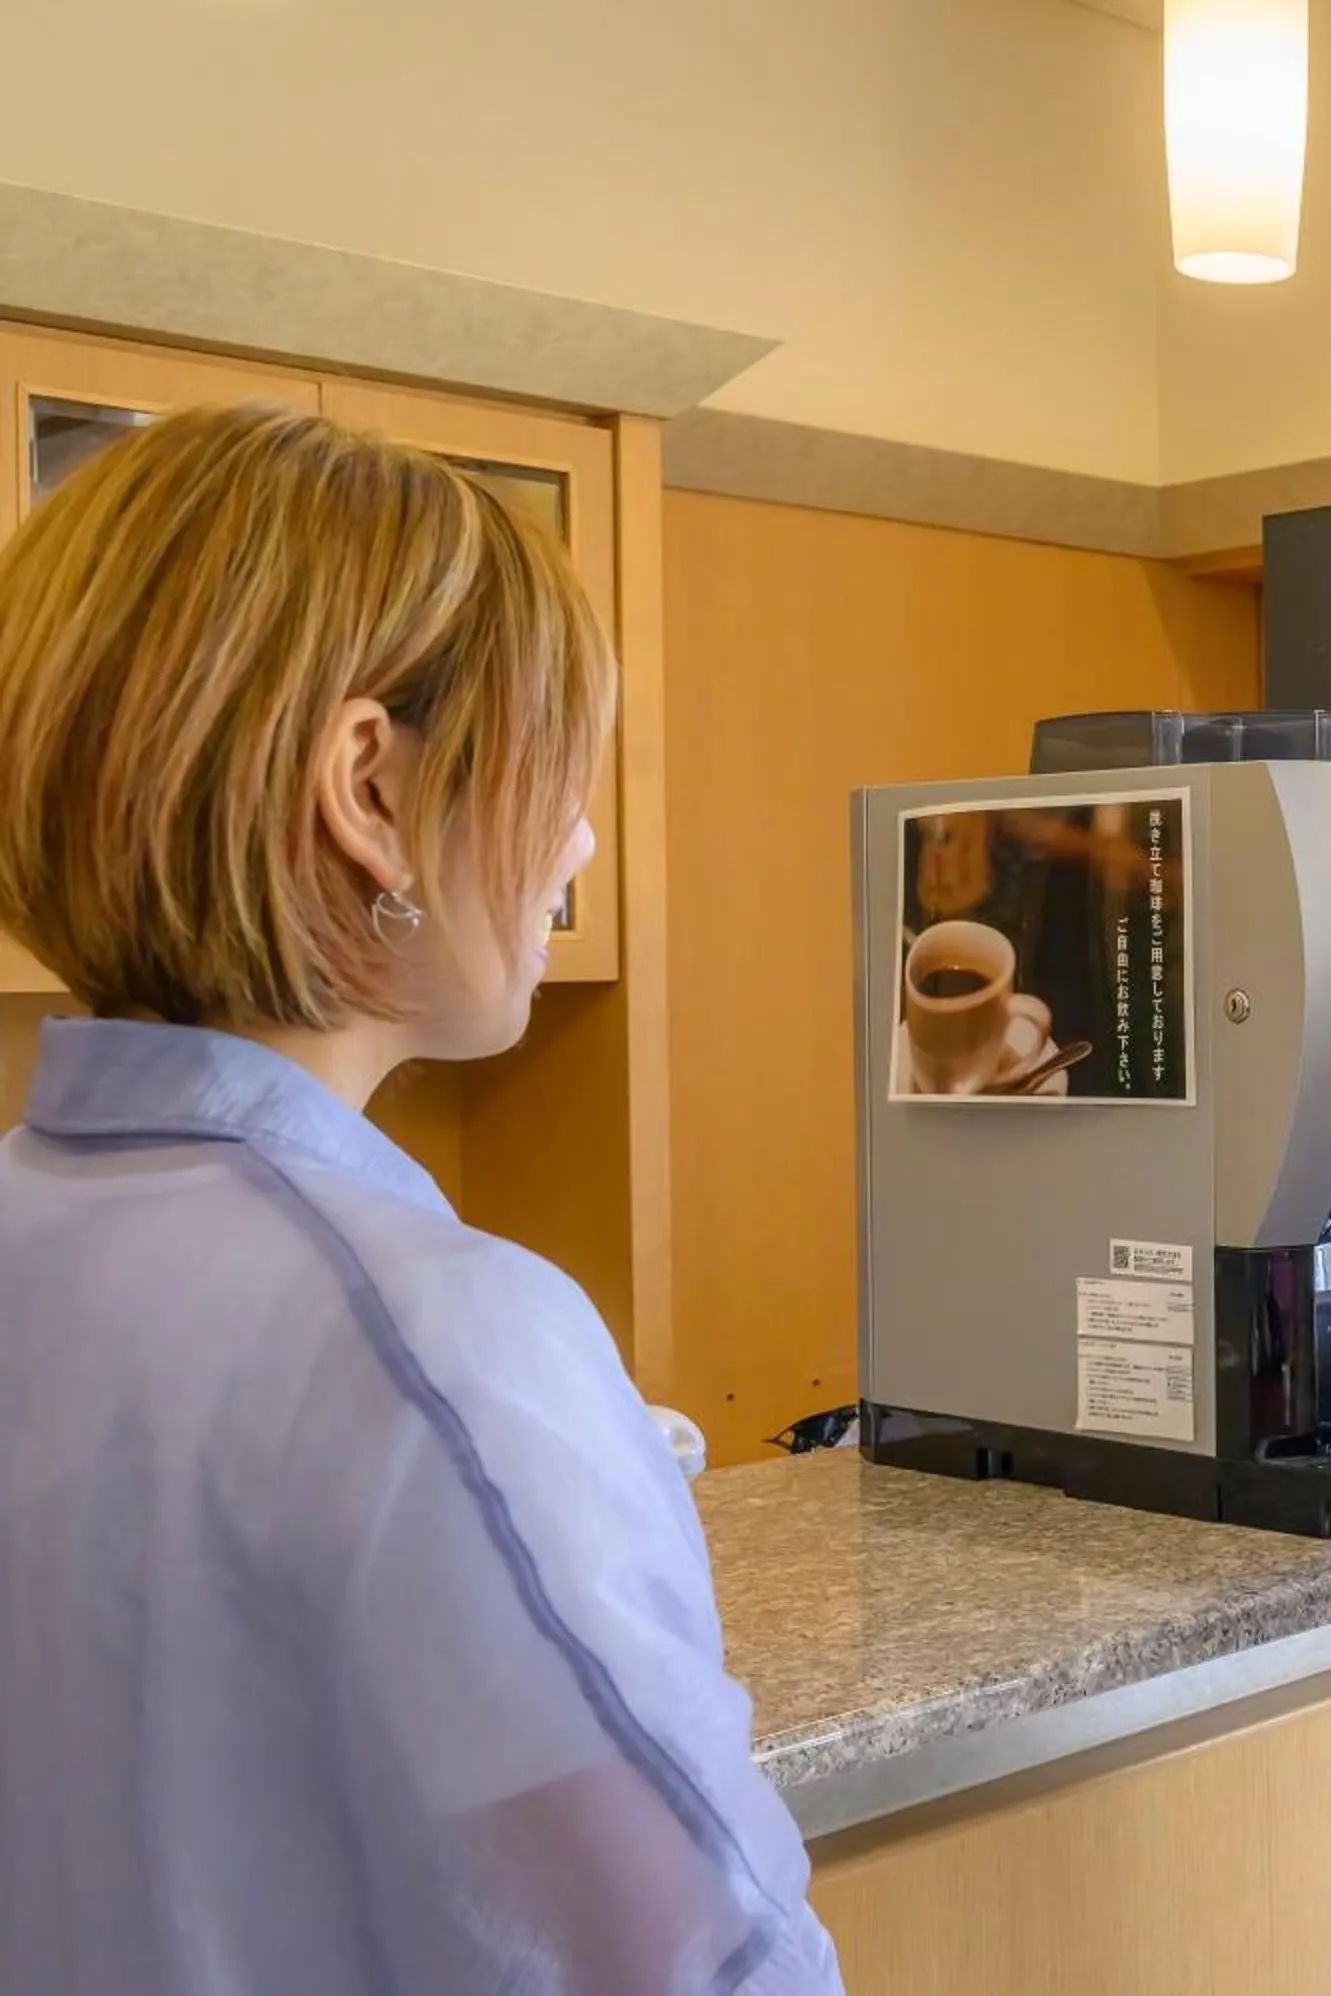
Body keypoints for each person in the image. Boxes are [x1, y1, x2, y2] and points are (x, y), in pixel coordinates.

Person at [0, 405, 842, 1994]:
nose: (579, 844)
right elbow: (689, 1961)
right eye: (559, 773)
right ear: (369, 790)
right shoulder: (431, 1339)